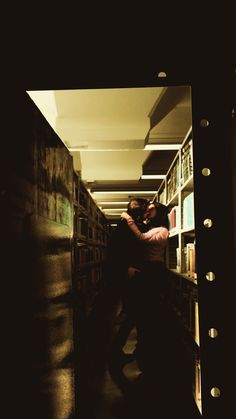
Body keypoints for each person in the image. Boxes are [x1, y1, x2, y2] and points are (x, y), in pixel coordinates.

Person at [120, 201, 171, 375]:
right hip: (146, 271)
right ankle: (142, 353)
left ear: (160, 212)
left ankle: (147, 356)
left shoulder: (162, 231)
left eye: (152, 207)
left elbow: (141, 238)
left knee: (147, 313)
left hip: (153, 272)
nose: (148, 208)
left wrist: (128, 219)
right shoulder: (151, 226)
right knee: (143, 312)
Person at [107, 198, 149, 394]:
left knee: (132, 314)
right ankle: (116, 352)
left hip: (128, 274)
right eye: (142, 209)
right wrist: (128, 267)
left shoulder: (128, 225)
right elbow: (120, 250)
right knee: (132, 314)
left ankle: (118, 352)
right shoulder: (126, 227)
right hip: (128, 274)